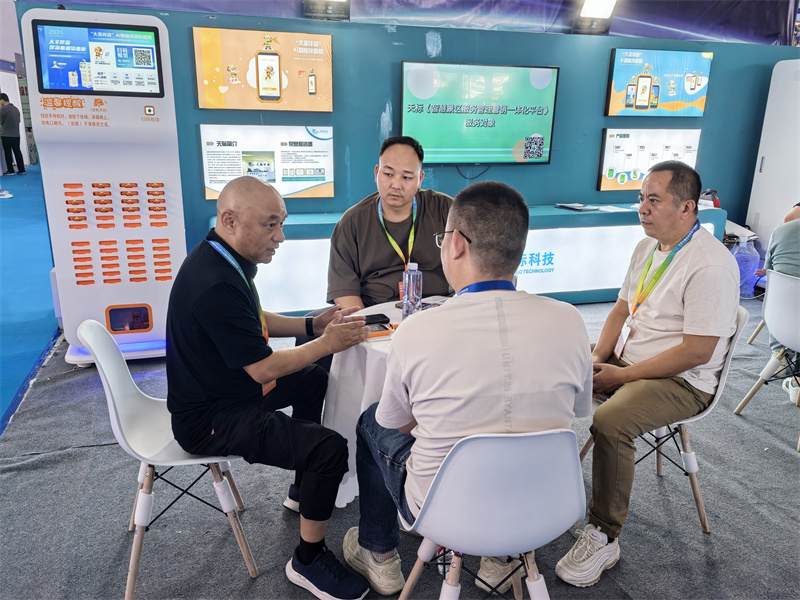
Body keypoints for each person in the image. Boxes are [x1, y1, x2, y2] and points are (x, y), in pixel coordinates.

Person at [341, 180, 593, 596]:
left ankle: (378, 550)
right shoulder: (570, 320)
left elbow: (395, 423)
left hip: (445, 510)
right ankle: (500, 558)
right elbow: (578, 410)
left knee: (371, 421)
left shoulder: (418, 331)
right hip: (547, 504)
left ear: (455, 243)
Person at [166, 176, 370, 600]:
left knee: (313, 379)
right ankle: (308, 560)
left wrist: (312, 325)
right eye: (271, 225)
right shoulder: (214, 282)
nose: (280, 236)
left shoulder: (219, 257)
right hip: (209, 419)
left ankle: (303, 489)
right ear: (230, 220)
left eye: (282, 223)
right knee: (329, 449)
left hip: (226, 391)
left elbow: (254, 319)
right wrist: (327, 342)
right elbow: (262, 369)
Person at [555, 161, 739, 587]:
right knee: (549, 363)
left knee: (611, 420)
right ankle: (535, 488)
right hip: (629, 359)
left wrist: (620, 377)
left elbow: (697, 352)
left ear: (687, 207)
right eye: (641, 198)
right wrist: (596, 359)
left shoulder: (710, 265)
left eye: (654, 200)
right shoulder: (647, 247)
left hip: (682, 381)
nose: (643, 208)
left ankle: (604, 534)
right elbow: (620, 310)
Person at [327, 136, 453, 310]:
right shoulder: (352, 223)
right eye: (388, 174)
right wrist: (369, 323)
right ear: (376, 173)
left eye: (407, 177)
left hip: (438, 310)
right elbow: (345, 292)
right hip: (376, 311)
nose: (396, 185)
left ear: (420, 179)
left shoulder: (447, 210)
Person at [753, 213, 800, 403]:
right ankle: (797, 380)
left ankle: (778, 358)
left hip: (778, 322)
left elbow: (769, 269)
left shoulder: (781, 230)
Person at [0, 93, 26, 176]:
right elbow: (18, 121)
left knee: (8, 153)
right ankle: (22, 169)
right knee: (17, 151)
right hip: (16, 134)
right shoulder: (16, 109)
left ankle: (10, 170)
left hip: (6, 134)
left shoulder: (3, 109)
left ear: (2, 100)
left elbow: (1, 121)